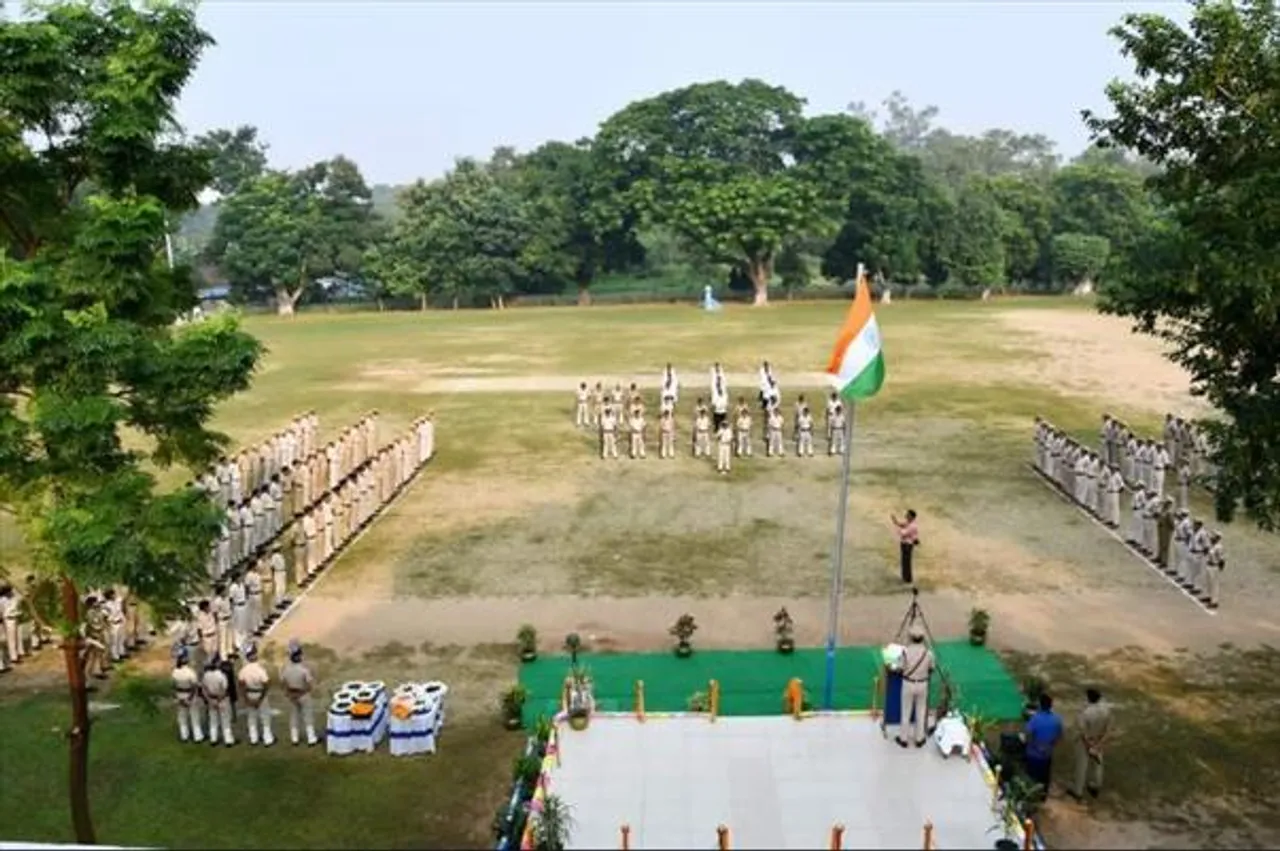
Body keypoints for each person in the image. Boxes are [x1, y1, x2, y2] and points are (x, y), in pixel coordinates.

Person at [894, 625, 935, 749]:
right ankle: (919, 739)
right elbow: (931, 668)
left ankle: (903, 739)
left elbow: (900, 668)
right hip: (923, 683)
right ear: (923, 638)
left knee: (906, 711)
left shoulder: (905, 652)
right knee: (921, 711)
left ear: (910, 637)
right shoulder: (928, 653)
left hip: (908, 683)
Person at [1070, 688, 1111, 801]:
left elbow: (1083, 732)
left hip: (1086, 742)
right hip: (1098, 739)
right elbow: (1107, 729)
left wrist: (1089, 745)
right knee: (1098, 764)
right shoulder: (1106, 710)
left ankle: (1078, 791)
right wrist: (1099, 743)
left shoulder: (1086, 713)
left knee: (1081, 766)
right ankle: (1096, 785)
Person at [281, 639, 320, 746]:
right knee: (308, 716)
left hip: (292, 695)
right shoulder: (304, 670)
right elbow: (310, 684)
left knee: (294, 716)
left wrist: (288, 694)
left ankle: (294, 738)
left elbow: (283, 682)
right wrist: (307, 691)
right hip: (303, 694)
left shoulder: (286, 669)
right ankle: (311, 738)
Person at [1023, 693, 1063, 796]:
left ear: (1040, 705)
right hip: (1047, 755)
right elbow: (1059, 736)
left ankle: (1031, 796)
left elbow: (1028, 735)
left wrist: (1035, 746)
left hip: (1033, 754)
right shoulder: (1057, 719)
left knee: (1032, 778)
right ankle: (1043, 795)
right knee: (1044, 777)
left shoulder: (1035, 719)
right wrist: (1050, 746)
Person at [238, 642, 275, 747]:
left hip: (249, 694)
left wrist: (246, 699)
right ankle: (267, 739)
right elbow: (266, 684)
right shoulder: (260, 669)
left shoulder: (243, 670)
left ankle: (253, 739)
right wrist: (260, 698)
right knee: (265, 718)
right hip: (260, 694)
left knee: (251, 718)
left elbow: (241, 685)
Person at [172, 645, 204, 743]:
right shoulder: (191, 672)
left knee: (182, 717)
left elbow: (173, 686)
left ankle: (184, 736)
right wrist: (190, 698)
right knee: (194, 716)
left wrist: (178, 697)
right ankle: (197, 736)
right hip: (190, 695)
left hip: (179, 694)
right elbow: (195, 686)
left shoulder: (175, 672)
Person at [201, 656, 235, 747]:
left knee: (213, 720)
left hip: (211, 699)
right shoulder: (222, 675)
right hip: (222, 699)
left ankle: (213, 739)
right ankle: (228, 740)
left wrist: (209, 700)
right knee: (225, 721)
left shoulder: (206, 675)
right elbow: (225, 689)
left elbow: (204, 688)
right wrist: (219, 699)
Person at [891, 510, 920, 584]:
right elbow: (901, 524)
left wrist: (897, 529)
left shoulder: (913, 526)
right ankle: (905, 577)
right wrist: (895, 521)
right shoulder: (908, 523)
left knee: (906, 562)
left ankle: (908, 579)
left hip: (908, 545)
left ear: (912, 517)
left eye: (908, 515)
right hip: (905, 544)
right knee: (904, 561)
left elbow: (903, 533)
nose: (906, 515)